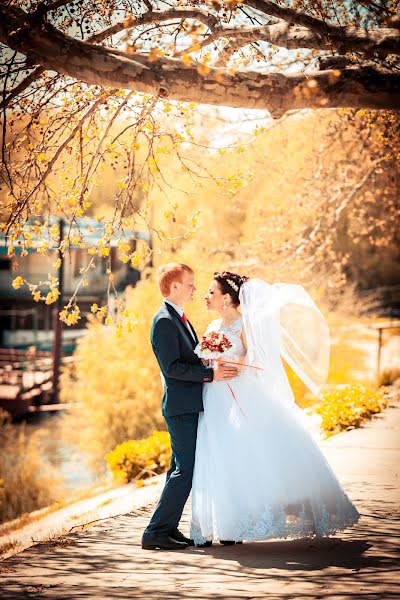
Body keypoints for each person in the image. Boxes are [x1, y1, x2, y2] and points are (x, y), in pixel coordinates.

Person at [190, 271, 359, 545]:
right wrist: (212, 365)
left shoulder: (246, 324)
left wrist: (237, 362)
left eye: (211, 292)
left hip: (241, 395)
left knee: (243, 455)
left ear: (227, 299)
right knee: (217, 453)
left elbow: (260, 357)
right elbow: (206, 361)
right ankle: (222, 522)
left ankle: (240, 523)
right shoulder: (211, 327)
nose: (205, 296)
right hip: (214, 397)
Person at [141, 263, 239, 551]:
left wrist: (209, 363)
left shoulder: (178, 318)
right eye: (190, 284)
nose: (195, 289)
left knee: (179, 468)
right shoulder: (164, 321)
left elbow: (189, 360)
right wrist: (210, 375)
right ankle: (155, 532)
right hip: (180, 407)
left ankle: (167, 528)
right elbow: (172, 368)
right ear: (174, 287)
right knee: (186, 470)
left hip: (188, 405)